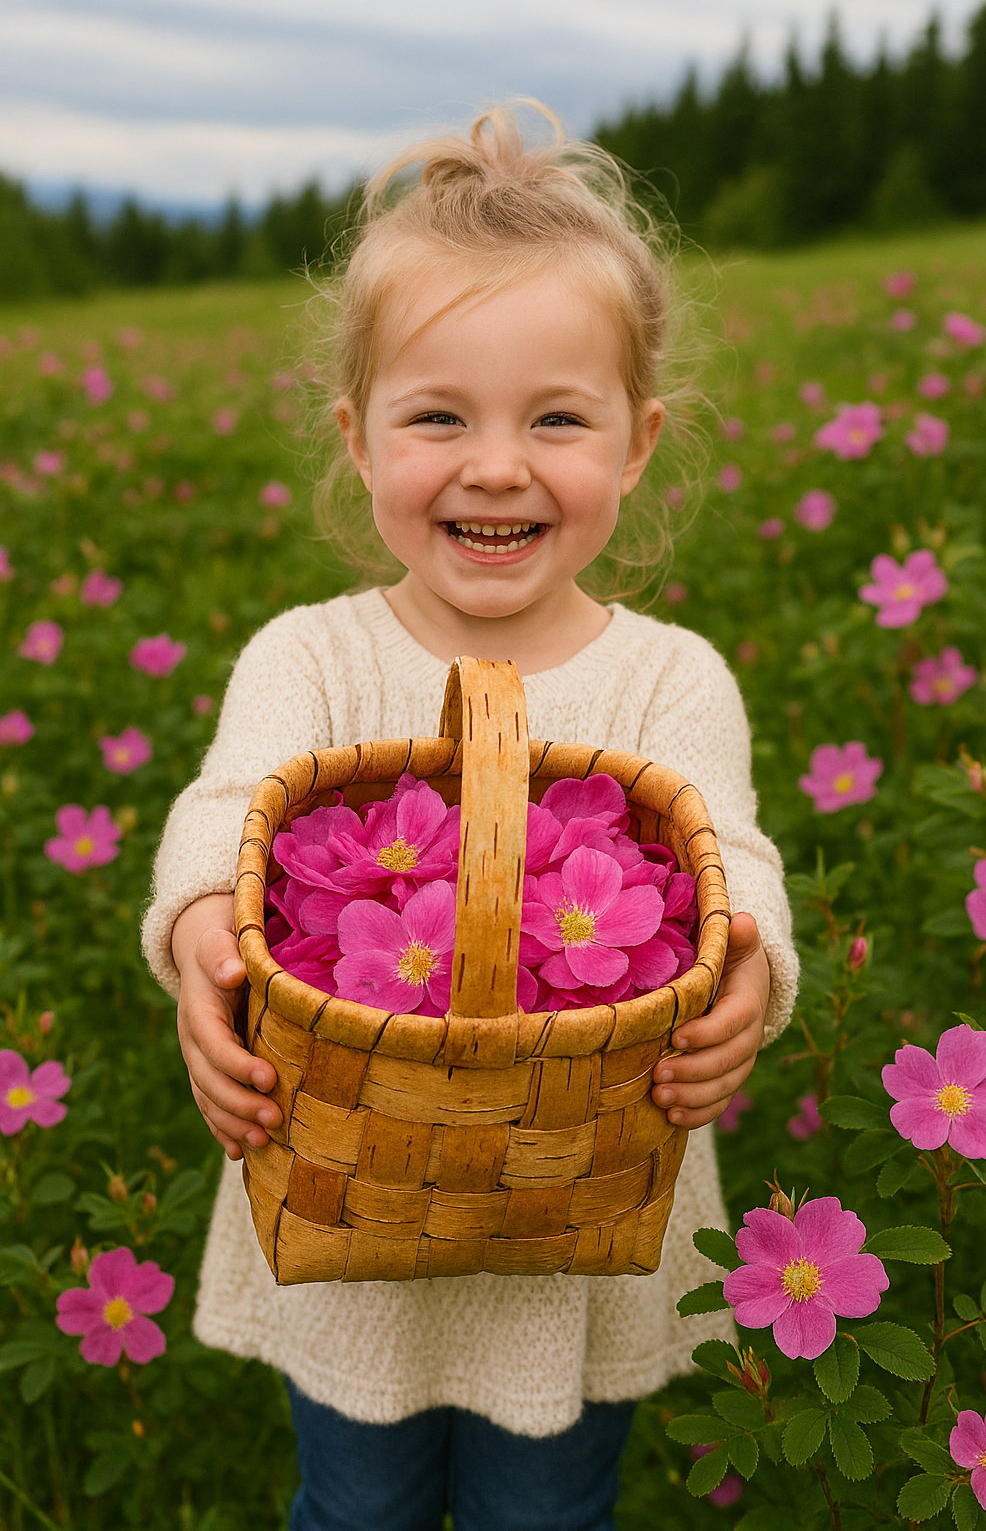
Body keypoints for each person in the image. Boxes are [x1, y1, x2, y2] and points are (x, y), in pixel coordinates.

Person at [142, 101, 798, 1531]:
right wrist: (200, 931)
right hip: (346, 1212)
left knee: (549, 1511)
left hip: (583, 1227)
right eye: (438, 416)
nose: (496, 465)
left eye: (557, 419)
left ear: (637, 445)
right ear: (358, 440)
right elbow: (221, 817)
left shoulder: (670, 677)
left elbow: (728, 856)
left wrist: (749, 958)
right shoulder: (307, 657)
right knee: (356, 1506)